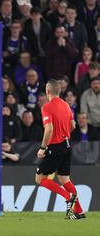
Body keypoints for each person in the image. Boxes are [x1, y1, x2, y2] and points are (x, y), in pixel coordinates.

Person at [35, 79, 84, 220]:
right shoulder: (66, 105)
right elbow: (73, 125)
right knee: (65, 180)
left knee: (40, 179)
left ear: (47, 91)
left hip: (55, 146)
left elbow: (49, 128)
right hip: (67, 145)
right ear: (60, 91)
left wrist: (42, 148)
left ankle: (68, 197)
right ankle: (79, 211)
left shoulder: (46, 107)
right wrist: (63, 132)